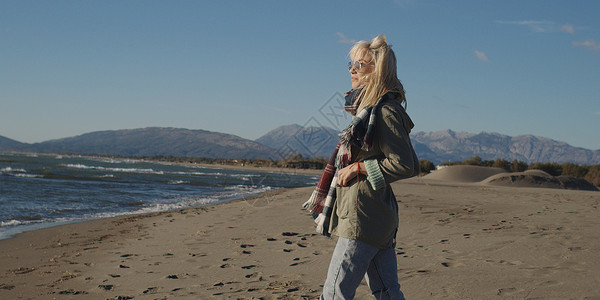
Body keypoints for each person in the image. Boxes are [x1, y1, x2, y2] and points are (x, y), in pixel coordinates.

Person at [304, 34, 419, 299]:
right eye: (351, 65)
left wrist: (359, 169)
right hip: (376, 214)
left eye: (361, 65)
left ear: (377, 72)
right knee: (387, 291)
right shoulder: (369, 110)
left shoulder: (385, 111)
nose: (352, 71)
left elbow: (405, 164)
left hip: (363, 216)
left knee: (334, 293)